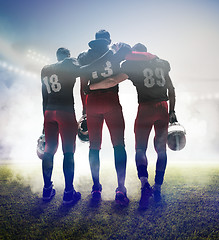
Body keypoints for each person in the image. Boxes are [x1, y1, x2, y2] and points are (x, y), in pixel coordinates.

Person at [90, 43, 178, 209]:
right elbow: (171, 90)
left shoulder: (133, 65)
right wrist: (172, 110)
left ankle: (145, 183)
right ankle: (158, 187)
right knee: (161, 150)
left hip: (145, 108)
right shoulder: (161, 63)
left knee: (140, 149)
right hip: (163, 107)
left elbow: (112, 80)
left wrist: (92, 86)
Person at [77, 30, 131, 206]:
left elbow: (82, 86)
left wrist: (84, 111)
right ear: (108, 41)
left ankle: (96, 188)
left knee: (94, 147)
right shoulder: (114, 53)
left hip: (92, 103)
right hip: (111, 101)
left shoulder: (84, 57)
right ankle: (120, 188)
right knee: (118, 144)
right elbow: (129, 50)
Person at [41, 47, 81, 205]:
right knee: (68, 152)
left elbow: (44, 96)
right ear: (67, 56)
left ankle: (46, 190)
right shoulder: (69, 63)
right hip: (65, 112)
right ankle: (69, 192)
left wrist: (43, 122)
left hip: (49, 112)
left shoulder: (45, 69)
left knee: (48, 151)